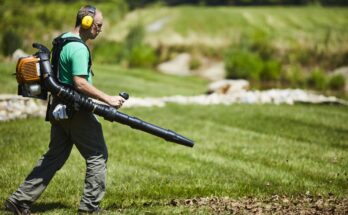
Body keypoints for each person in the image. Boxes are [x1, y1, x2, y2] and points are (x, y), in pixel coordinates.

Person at [5, 5, 125, 214]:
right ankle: (89, 208)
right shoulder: (78, 48)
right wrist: (108, 99)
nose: (100, 29)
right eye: (98, 25)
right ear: (86, 22)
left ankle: (19, 200)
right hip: (75, 110)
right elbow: (79, 83)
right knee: (97, 156)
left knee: (54, 156)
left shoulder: (62, 40)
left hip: (58, 109)